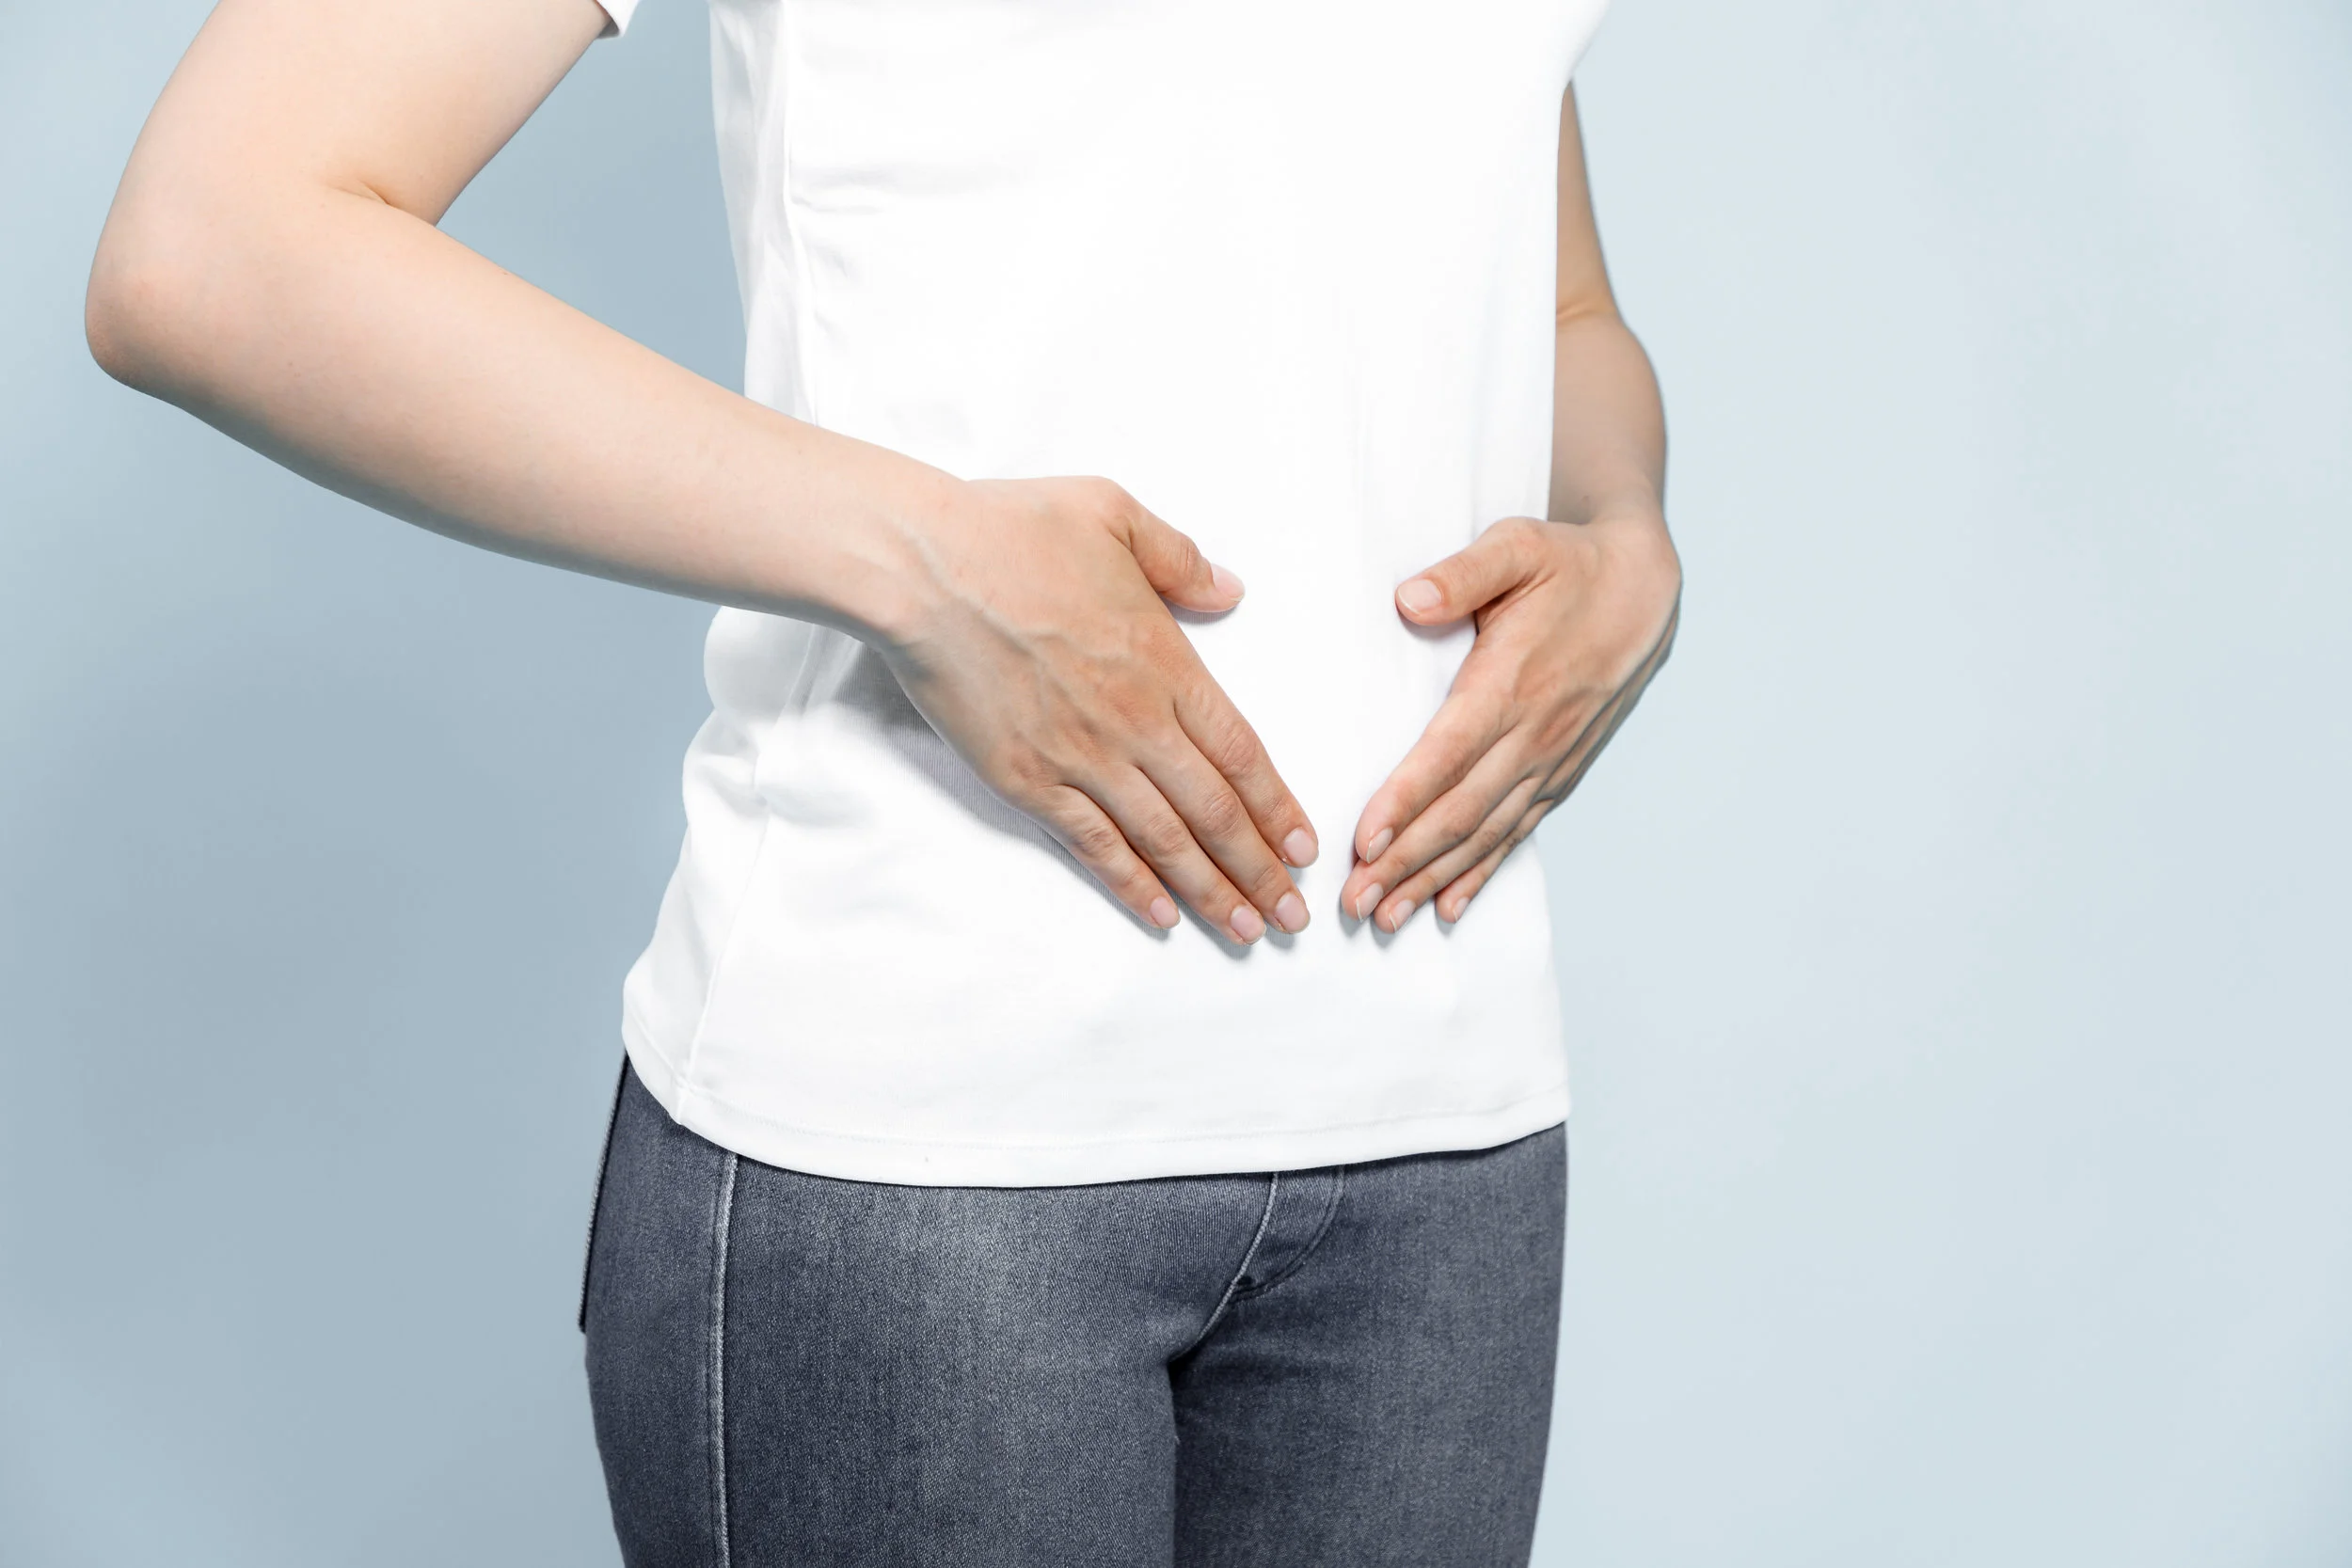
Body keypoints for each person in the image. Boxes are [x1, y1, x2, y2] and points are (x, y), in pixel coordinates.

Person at [87, 0, 1679, 1560]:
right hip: (920, 1180)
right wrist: (919, 564)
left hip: (1444, 1148)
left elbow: (1552, 308)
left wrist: (1623, 532)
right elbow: (215, 242)